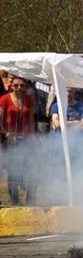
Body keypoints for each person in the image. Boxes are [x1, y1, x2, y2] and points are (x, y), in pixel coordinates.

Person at [0, 75, 37, 204]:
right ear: (11, 86)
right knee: (13, 170)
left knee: (30, 169)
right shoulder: (4, 99)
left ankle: (30, 200)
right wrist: (6, 133)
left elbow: (31, 120)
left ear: (25, 87)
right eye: (16, 85)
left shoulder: (29, 100)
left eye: (22, 85)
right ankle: (15, 200)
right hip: (10, 140)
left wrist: (32, 136)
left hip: (26, 139)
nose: (19, 88)